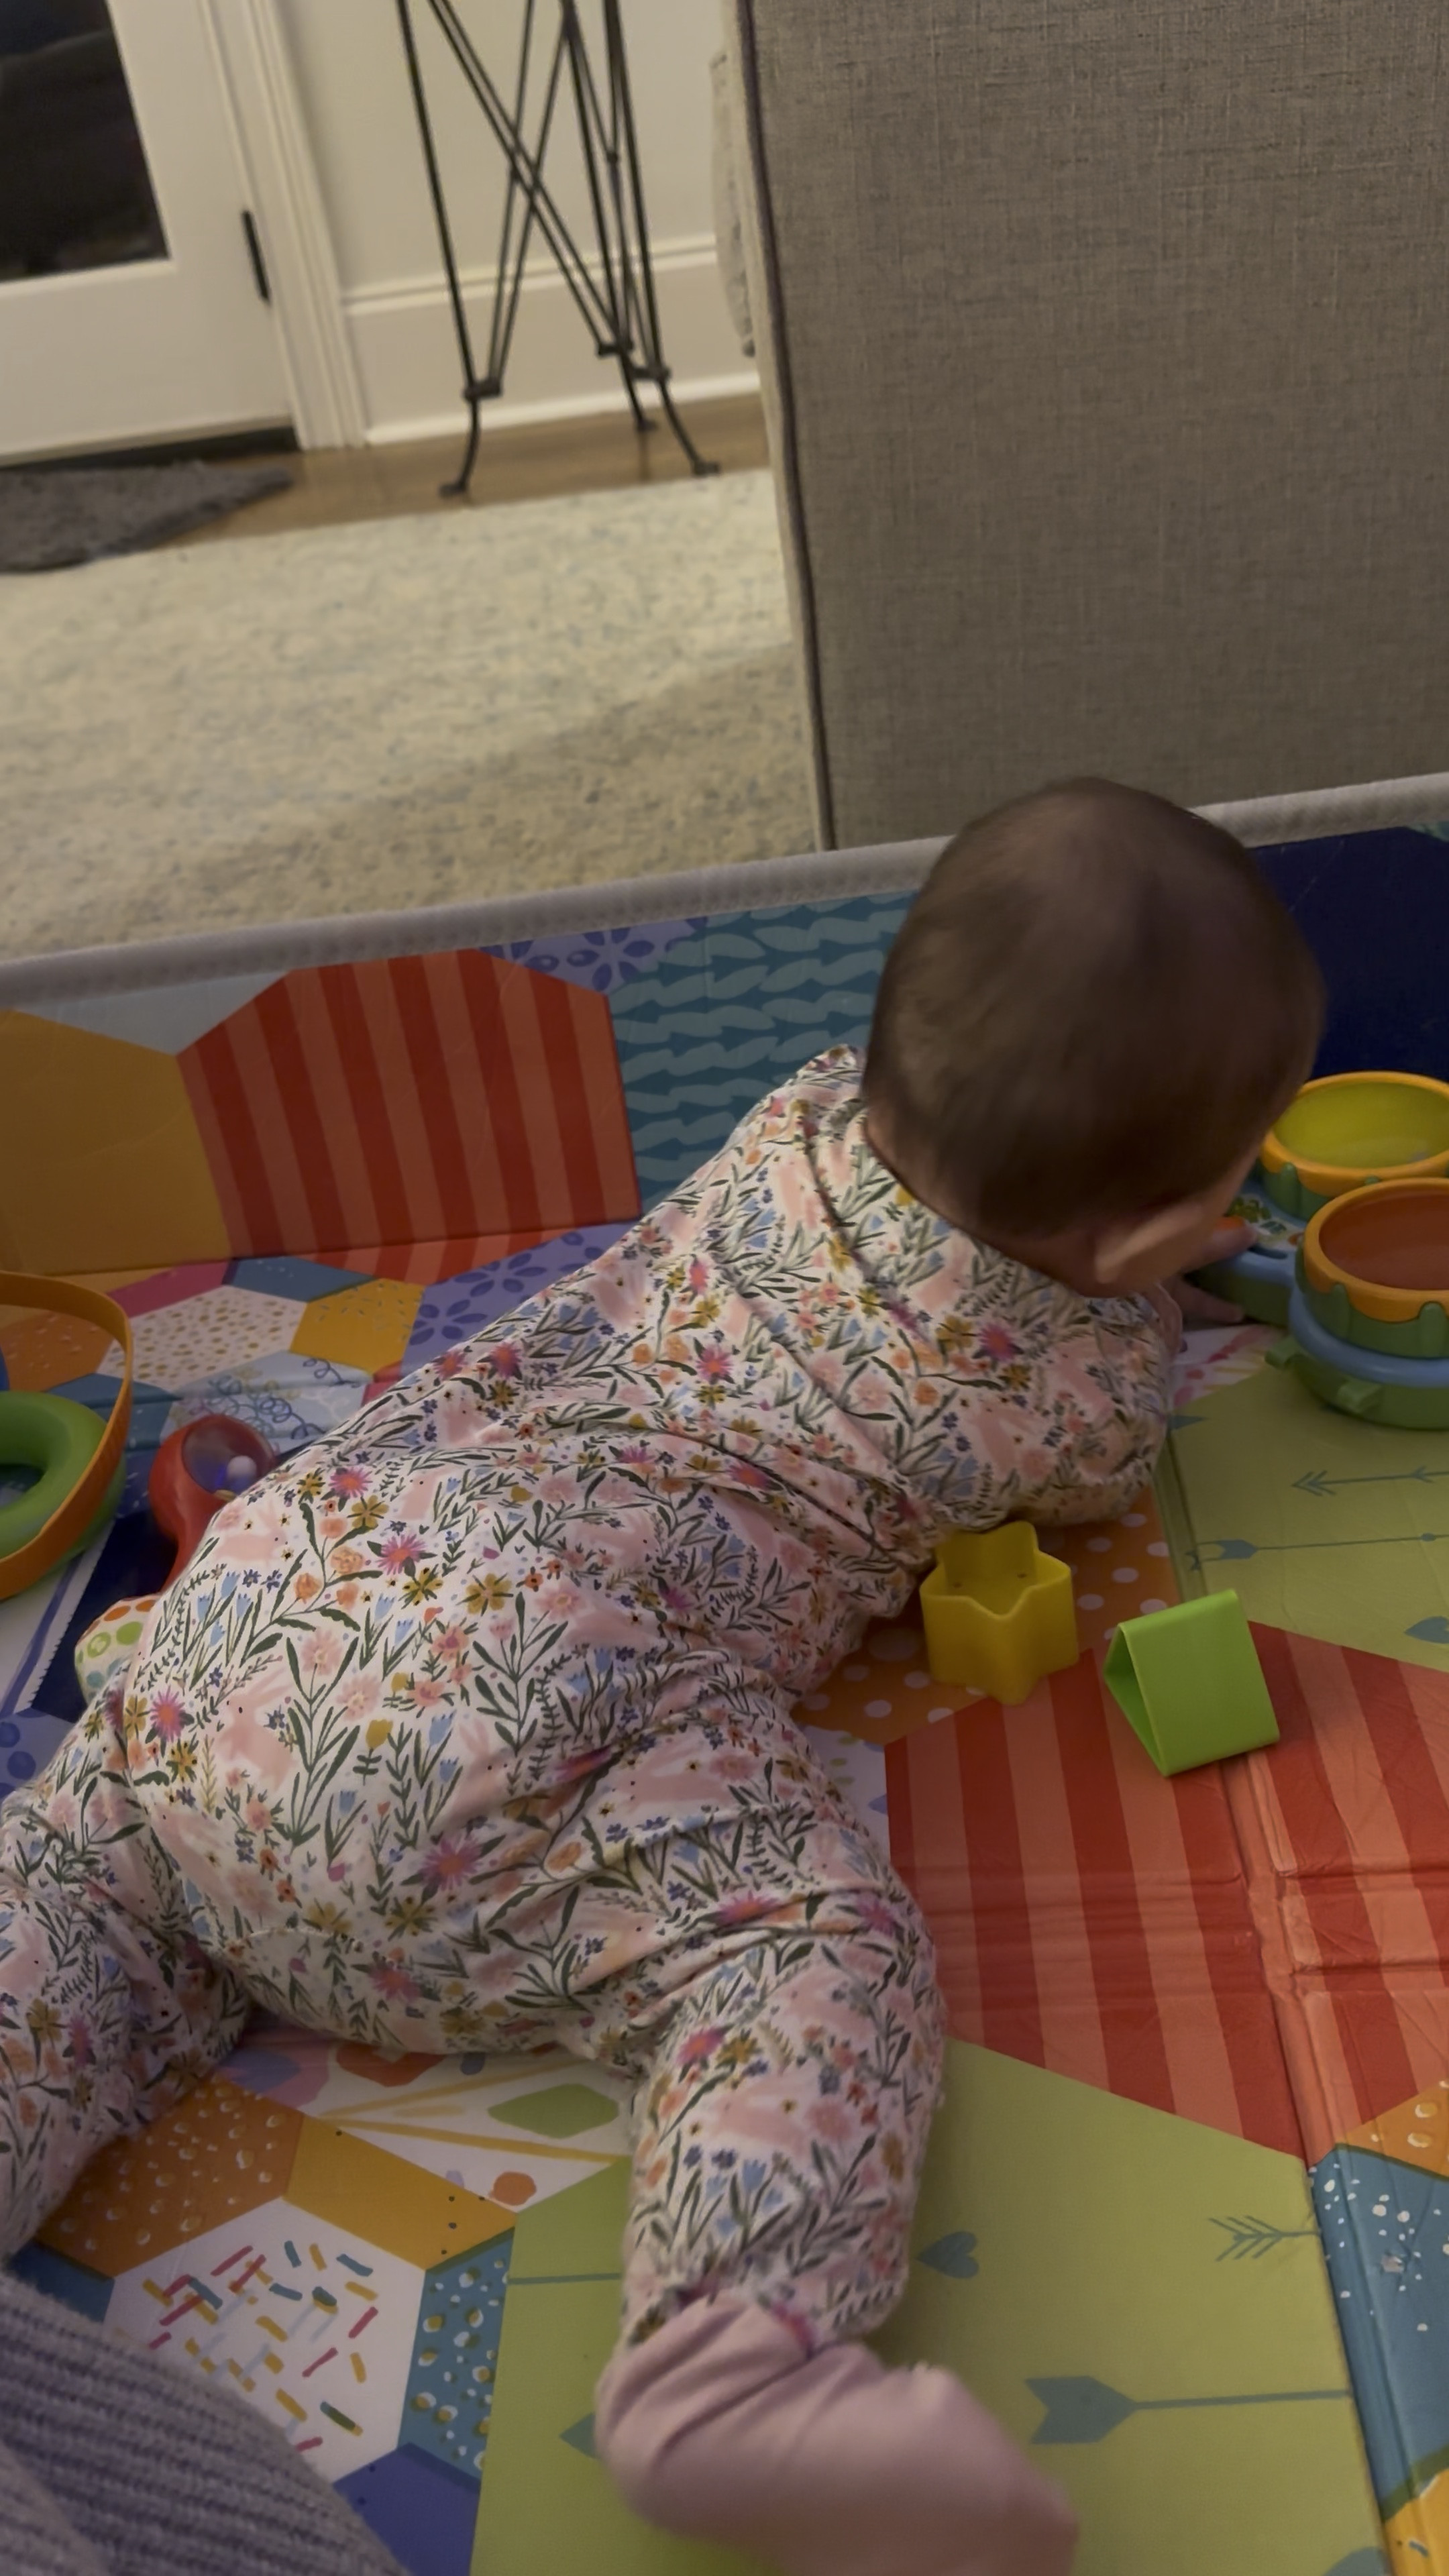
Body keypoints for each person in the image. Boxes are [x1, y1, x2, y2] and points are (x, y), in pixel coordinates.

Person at [0, 780, 1323, 2575]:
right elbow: (1094, 1443)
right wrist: (1157, 1301)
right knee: (800, 1943)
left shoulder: (795, 1118)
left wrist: (1134, 1233)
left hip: (257, 1619)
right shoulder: (1059, 1376)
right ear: (1133, 1242)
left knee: (82, 1888)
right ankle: (734, 2354)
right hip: (516, 1717)